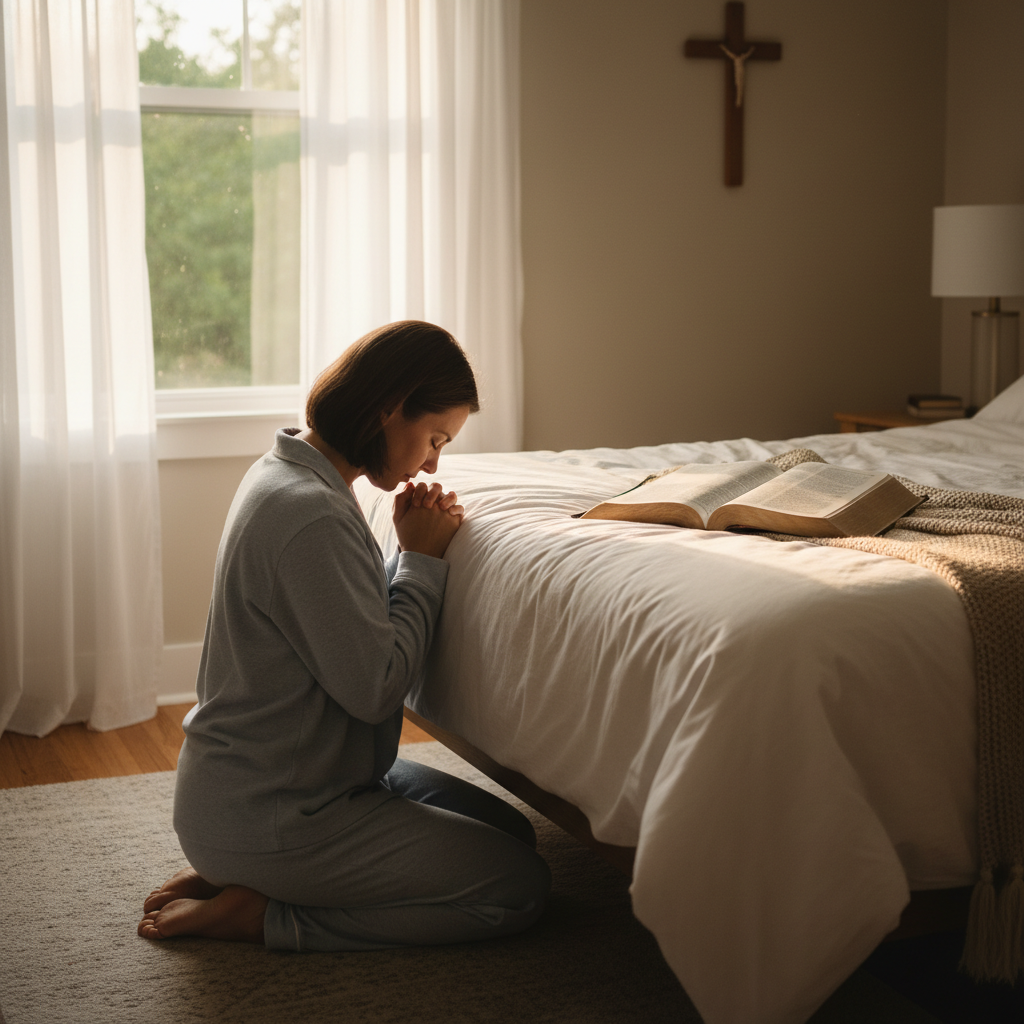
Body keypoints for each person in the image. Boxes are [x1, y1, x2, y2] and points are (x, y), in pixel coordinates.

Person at [138, 320, 550, 951]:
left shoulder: (289, 471)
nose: (434, 462)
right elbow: (375, 689)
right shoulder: (310, 514)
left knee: (513, 834)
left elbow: (348, 622)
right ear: (390, 408)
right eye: (434, 438)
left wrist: (408, 552)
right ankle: (267, 912)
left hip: (284, 785)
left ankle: (249, 872)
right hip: (278, 812)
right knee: (519, 887)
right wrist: (421, 561)